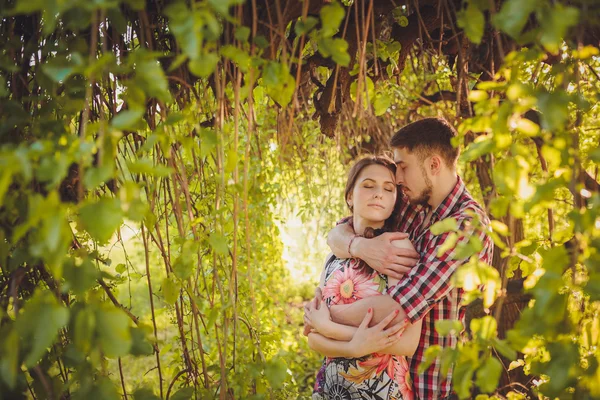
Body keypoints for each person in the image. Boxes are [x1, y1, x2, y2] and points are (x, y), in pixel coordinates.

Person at [318, 118, 493, 399]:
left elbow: (399, 310)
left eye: (403, 167)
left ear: (433, 165)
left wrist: (324, 318)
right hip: (373, 377)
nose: (397, 179)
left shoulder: (466, 227)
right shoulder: (411, 203)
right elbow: (340, 230)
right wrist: (359, 247)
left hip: (429, 386)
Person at [305, 155, 423, 399]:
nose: (378, 193)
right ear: (350, 196)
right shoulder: (334, 255)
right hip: (331, 388)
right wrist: (351, 347)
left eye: (388, 189)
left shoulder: (398, 249)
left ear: (394, 202)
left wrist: (333, 329)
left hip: (382, 389)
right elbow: (313, 336)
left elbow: (408, 343)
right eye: (368, 185)